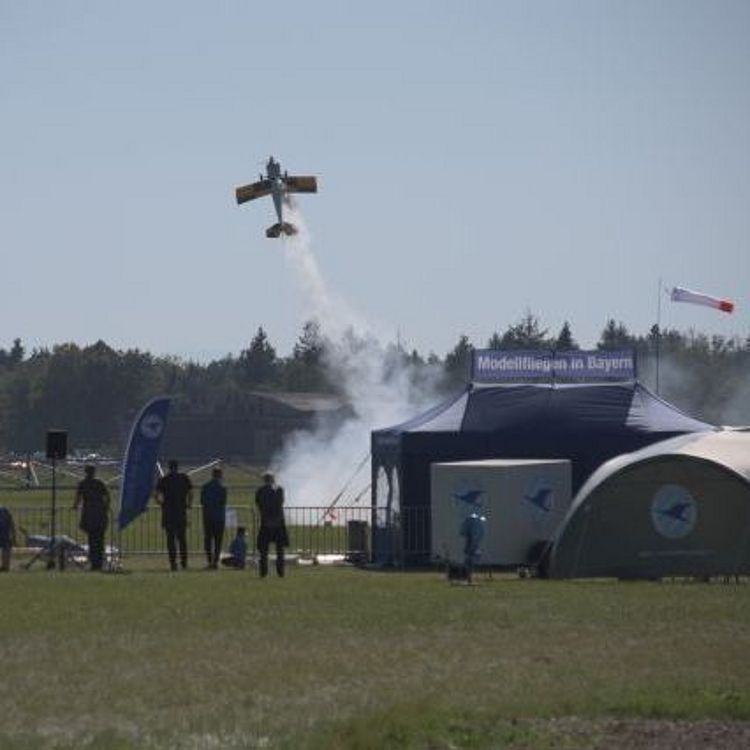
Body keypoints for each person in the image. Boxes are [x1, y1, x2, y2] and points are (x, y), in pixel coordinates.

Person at [154, 459, 193, 571]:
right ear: (177, 467)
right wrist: (189, 504)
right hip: (181, 512)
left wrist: (161, 503)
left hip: (168, 513)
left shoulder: (164, 480)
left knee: (170, 540)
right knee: (182, 540)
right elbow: (191, 492)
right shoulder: (184, 478)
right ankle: (184, 563)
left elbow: (156, 494)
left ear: (169, 468)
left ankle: (173, 563)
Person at [73, 465, 111, 571]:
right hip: (100, 515)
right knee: (100, 540)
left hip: (89, 515)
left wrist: (75, 507)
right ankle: (99, 562)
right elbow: (108, 497)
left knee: (92, 540)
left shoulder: (83, 484)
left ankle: (95, 563)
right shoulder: (100, 483)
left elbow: (77, 499)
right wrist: (105, 508)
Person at [255, 471, 288, 577]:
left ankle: (263, 571)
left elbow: (258, 503)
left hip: (265, 522)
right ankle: (280, 571)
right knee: (280, 550)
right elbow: (281, 502)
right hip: (278, 522)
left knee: (263, 550)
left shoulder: (260, 491)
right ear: (273, 479)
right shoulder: (279, 489)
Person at [200, 466, 227, 569]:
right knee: (218, 540)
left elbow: (202, 501)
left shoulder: (205, 486)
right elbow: (223, 502)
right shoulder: (223, 488)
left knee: (208, 540)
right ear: (220, 475)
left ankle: (209, 560)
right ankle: (215, 561)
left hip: (208, 516)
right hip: (219, 517)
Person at [460, 510, 487, 585]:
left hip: (471, 546)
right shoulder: (476, 527)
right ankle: (469, 578)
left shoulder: (472, 526)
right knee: (469, 562)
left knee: (469, 561)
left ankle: (469, 578)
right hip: (472, 546)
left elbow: (463, 533)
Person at [0, 506, 17, 572]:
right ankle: (5, 566)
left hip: (4, 534)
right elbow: (12, 524)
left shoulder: (4, 511)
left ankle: (5, 566)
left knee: (6, 549)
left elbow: (11, 523)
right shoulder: (5, 510)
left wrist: (13, 535)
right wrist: (13, 535)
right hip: (5, 534)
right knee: (6, 549)